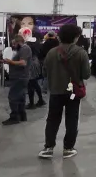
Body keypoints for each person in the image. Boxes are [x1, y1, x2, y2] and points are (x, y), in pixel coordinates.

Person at [39, 24, 91, 159]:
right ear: (76, 37)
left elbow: (44, 72)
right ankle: (68, 148)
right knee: (72, 119)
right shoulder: (81, 53)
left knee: (52, 119)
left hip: (55, 91)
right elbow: (86, 74)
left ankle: (48, 148)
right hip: (73, 92)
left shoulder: (51, 52)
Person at [2, 34, 31, 125]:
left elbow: (23, 63)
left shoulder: (24, 49)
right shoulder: (21, 49)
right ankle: (22, 115)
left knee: (13, 97)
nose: (13, 46)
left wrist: (10, 61)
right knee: (20, 97)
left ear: (19, 42)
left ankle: (14, 117)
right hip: (19, 76)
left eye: (14, 44)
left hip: (20, 77)